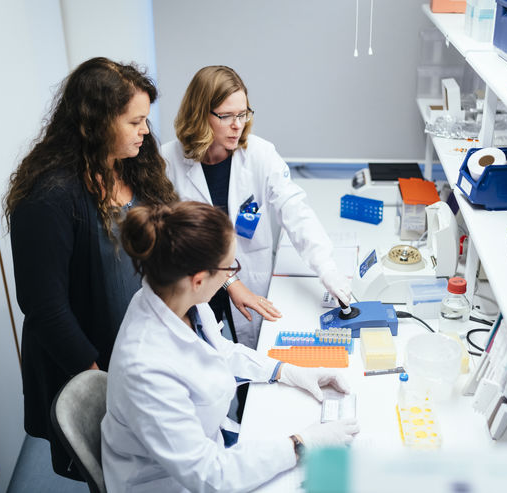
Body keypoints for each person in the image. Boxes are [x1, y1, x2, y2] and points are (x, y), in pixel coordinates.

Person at [102, 201, 360, 493]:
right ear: (198, 280)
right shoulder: (146, 368)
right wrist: (301, 444)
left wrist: (285, 370)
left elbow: (217, 351)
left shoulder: (179, 299)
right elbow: (209, 476)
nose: (231, 277)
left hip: (208, 448)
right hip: (167, 483)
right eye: (229, 268)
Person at [4, 57, 178, 479]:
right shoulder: (49, 194)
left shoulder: (136, 164)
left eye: (146, 120)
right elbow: (43, 304)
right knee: (114, 468)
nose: (145, 131)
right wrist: (94, 376)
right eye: (135, 121)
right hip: (93, 358)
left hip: (142, 344)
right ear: (96, 123)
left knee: (159, 460)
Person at [163, 65, 351, 352]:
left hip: (251, 279)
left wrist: (325, 267)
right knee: (203, 363)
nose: (237, 125)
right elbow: (175, 241)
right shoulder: (169, 161)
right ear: (200, 114)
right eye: (226, 116)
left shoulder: (260, 154)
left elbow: (294, 208)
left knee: (249, 363)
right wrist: (231, 283)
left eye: (243, 113)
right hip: (194, 286)